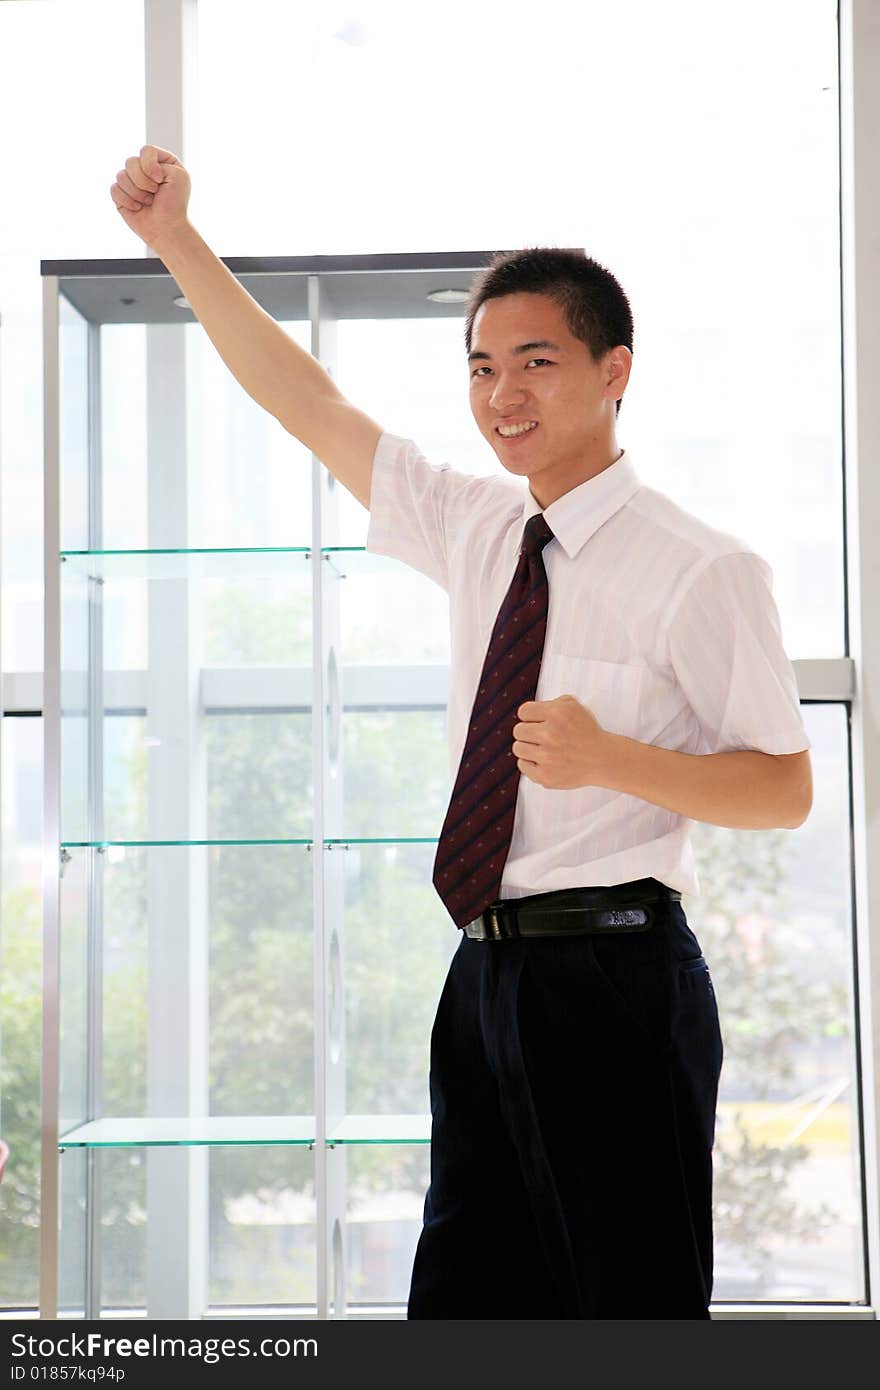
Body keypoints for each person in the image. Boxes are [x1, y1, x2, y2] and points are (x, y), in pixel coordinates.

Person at [111, 145, 813, 1320]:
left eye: (535, 362)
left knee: (627, 1302)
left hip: (619, 973)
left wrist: (613, 761)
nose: (503, 397)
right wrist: (179, 241)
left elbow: (783, 788)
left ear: (614, 369)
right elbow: (309, 402)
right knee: (460, 1305)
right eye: (483, 368)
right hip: (485, 970)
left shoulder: (701, 569)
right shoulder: (481, 527)